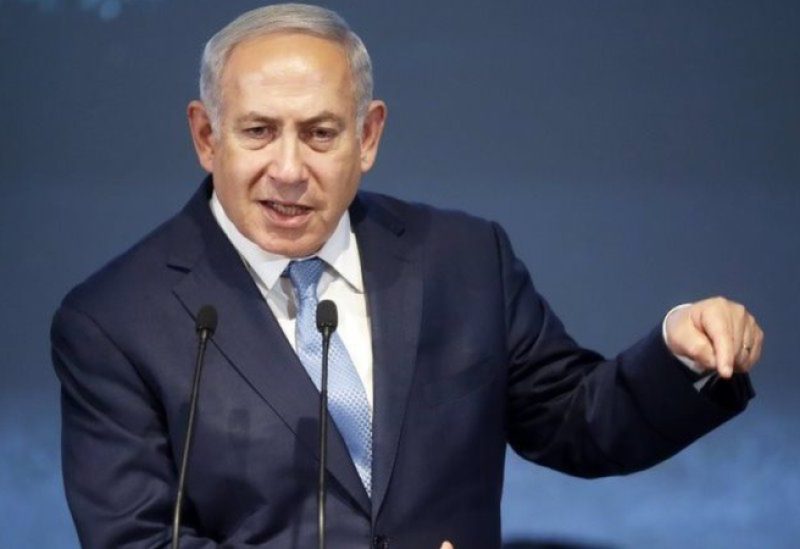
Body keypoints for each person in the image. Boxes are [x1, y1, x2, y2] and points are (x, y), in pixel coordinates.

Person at [51, 4, 762, 548]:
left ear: (368, 137)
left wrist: (679, 351)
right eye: (259, 131)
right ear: (207, 136)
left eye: (322, 133)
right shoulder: (115, 321)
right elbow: (139, 539)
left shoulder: (462, 259)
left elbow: (577, 421)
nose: (290, 169)